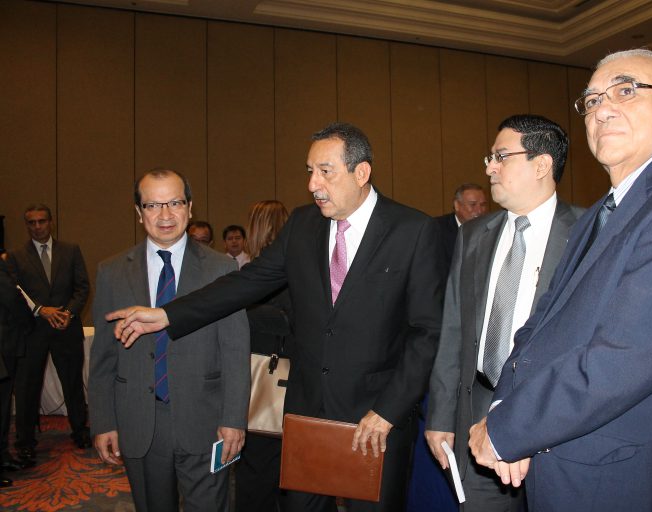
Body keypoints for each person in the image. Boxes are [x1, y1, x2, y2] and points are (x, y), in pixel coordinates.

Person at [107, 122, 444, 512]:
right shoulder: (302, 224)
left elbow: (427, 333)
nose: (312, 184)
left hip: (376, 418)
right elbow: (247, 282)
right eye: (310, 171)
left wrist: (388, 410)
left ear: (361, 172)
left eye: (325, 171)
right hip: (307, 415)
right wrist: (168, 314)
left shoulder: (412, 230)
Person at [467, 49, 652, 511]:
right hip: (564, 464)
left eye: (626, 91)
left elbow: (626, 358)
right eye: (592, 100)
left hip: (626, 480)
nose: (602, 109)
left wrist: (507, 430)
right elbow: (542, 326)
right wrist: (505, 407)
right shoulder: (602, 211)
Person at [427, 114, 584, 512]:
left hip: (554, 419)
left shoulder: (589, 234)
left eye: (501, 156)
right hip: (477, 418)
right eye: (490, 157)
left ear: (542, 164)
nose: (489, 168)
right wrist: (441, 416)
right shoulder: (472, 235)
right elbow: (454, 330)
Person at [88, 169, 250, 512]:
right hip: (140, 422)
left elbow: (235, 351)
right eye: (153, 205)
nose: (165, 214)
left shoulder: (220, 269)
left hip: (206, 420)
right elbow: (102, 357)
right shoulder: (112, 272)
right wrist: (103, 421)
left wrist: (234, 418)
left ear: (190, 207)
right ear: (139, 212)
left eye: (175, 202)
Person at [7, 204, 90, 460]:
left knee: (73, 384)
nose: (37, 227)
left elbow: (82, 287)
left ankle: (80, 431)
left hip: (66, 327)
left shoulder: (71, 250)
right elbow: (14, 292)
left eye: (41, 221)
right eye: (31, 222)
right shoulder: (16, 256)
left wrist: (68, 313)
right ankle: (25, 440)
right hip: (33, 331)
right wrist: (41, 310)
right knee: (27, 388)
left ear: (50, 222)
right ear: (27, 225)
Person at [235, 200, 291, 512]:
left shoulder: (260, 273)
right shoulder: (302, 268)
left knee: (257, 467)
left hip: (264, 380)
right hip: (290, 381)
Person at [0, 258, 35, 486]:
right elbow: (12, 298)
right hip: (4, 346)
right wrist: (30, 324)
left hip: (6, 347)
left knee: (3, 408)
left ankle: (2, 456)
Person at [434, 184, 488, 270]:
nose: (479, 211)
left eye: (482, 205)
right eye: (473, 204)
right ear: (457, 205)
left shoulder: (491, 228)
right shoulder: (437, 228)